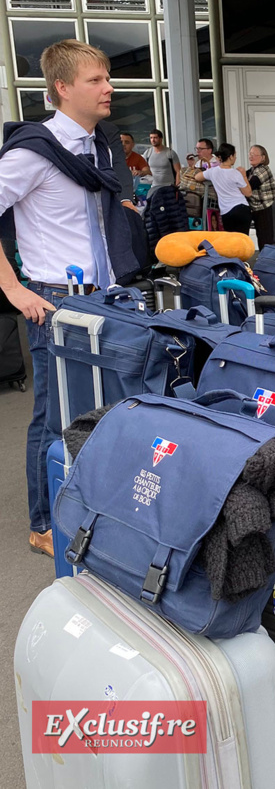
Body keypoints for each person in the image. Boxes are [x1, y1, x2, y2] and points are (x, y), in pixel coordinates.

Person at [0, 39, 138, 557]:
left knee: (106, 408)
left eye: (107, 77)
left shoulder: (98, 148)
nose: (109, 88)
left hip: (105, 296)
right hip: (55, 298)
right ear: (62, 88)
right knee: (54, 413)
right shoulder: (33, 152)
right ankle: (43, 522)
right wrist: (13, 287)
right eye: (96, 80)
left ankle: (95, 504)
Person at [195, 142, 252, 233]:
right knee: (242, 240)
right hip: (241, 208)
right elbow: (248, 193)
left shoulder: (212, 172)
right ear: (230, 157)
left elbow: (197, 177)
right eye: (235, 155)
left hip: (225, 211)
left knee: (230, 241)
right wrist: (244, 176)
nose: (235, 158)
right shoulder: (236, 173)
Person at [246, 145, 275, 250]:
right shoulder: (251, 170)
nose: (251, 157)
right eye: (250, 154)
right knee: (260, 236)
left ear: (263, 157)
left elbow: (250, 185)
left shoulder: (263, 170)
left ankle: (267, 261)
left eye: (254, 154)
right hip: (255, 208)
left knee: (265, 238)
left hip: (265, 208)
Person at [142, 128, 180, 196]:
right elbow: (143, 169)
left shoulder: (170, 153)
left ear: (161, 138)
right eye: (151, 138)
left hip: (168, 186)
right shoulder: (148, 153)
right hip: (153, 187)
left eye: (155, 138)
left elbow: (178, 171)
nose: (153, 140)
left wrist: (176, 186)